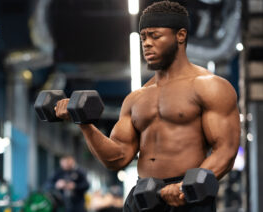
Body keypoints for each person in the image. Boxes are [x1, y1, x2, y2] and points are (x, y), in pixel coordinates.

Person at [54, 1, 240, 211]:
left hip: (189, 197)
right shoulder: (136, 98)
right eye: (143, 37)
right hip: (144, 197)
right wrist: (84, 123)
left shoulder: (209, 86)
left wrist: (184, 188)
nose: (147, 43)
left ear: (180, 35)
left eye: (155, 35)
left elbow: (226, 150)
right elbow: (117, 158)